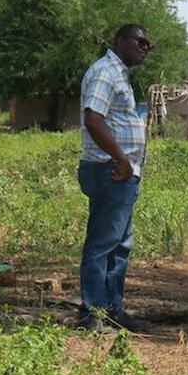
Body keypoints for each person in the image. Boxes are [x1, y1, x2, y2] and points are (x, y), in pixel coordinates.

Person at [77, 24, 154, 333]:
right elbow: (93, 119)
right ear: (120, 41)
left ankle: (113, 311)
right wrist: (122, 160)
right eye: (140, 41)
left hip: (122, 172)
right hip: (110, 170)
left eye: (149, 45)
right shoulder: (105, 72)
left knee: (120, 246)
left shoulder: (119, 74)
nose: (145, 47)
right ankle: (91, 315)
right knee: (102, 245)